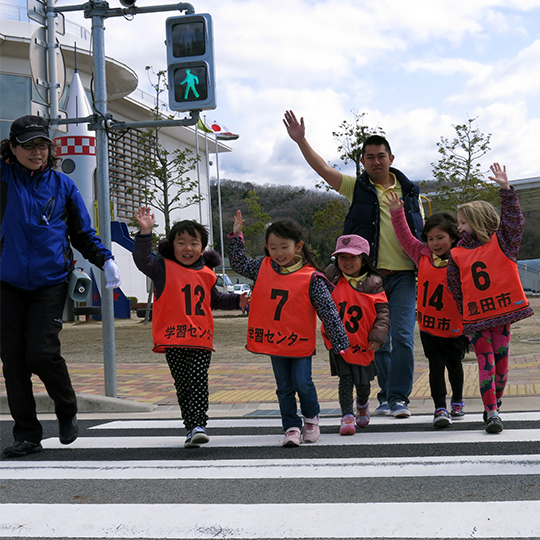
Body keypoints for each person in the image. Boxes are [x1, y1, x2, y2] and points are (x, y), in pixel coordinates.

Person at [283, 110, 424, 418]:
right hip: (369, 278)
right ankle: (386, 396)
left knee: (401, 336)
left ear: (391, 157)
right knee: (380, 340)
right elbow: (322, 168)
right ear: (363, 161)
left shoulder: (410, 191)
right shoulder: (356, 188)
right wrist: (301, 140)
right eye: (370, 157)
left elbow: (421, 235)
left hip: (403, 276)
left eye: (381, 156)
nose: (376, 161)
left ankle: (399, 397)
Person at [0, 115, 121, 458]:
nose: (36, 152)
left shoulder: (62, 185)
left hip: (49, 281)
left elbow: (82, 232)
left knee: (40, 352)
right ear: (12, 147)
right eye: (28, 146)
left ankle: (66, 407)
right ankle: (27, 435)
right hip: (5, 281)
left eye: (42, 145)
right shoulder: (2, 178)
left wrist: (105, 260)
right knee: (14, 361)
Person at [228, 211, 350, 447]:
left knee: (302, 382)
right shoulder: (263, 267)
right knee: (284, 386)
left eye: (284, 247)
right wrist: (236, 235)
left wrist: (340, 341)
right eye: (273, 247)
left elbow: (328, 311)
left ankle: (312, 419)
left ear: (299, 246)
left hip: (299, 342)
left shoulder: (311, 277)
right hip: (276, 341)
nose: (278, 253)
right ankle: (291, 427)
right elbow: (239, 263)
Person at [133, 207, 248, 448]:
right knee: (182, 384)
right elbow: (142, 260)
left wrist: (238, 301)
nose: (187, 248)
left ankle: (198, 424)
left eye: (194, 243)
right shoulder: (162, 267)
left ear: (203, 248)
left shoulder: (207, 273)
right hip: (172, 338)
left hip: (200, 338)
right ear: (172, 246)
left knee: (197, 380)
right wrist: (145, 233)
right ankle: (190, 426)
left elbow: (215, 300)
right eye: (181, 242)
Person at [447, 163, 534, 434]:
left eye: (463, 222)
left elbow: (514, 221)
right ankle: (492, 411)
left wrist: (506, 191)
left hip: (503, 314)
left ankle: (496, 403)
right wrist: (464, 312)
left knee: (502, 364)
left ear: (477, 221)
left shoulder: (503, 241)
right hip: (476, 318)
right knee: (486, 363)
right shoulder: (457, 253)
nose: (459, 228)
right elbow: (454, 285)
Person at [384, 193, 468, 428]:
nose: (435, 243)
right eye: (430, 238)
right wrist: (396, 212)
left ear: (453, 238)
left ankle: (458, 400)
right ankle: (440, 407)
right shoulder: (422, 255)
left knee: (454, 364)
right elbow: (405, 237)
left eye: (440, 238)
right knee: (435, 365)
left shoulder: (462, 257)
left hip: (455, 325)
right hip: (429, 326)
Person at [323, 235, 389, 435]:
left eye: (353, 257)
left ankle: (362, 404)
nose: (347, 262)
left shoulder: (373, 283)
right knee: (345, 379)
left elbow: (383, 313)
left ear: (364, 259)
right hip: (339, 342)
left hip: (363, 342)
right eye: (342, 257)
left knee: (362, 382)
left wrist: (377, 336)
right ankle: (346, 416)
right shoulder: (332, 279)